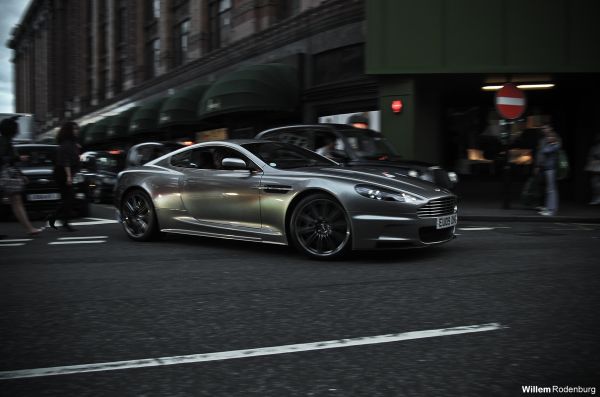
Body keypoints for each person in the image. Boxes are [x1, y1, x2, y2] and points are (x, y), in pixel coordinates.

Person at [0, 117, 43, 236]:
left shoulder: (6, 140)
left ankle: (29, 228)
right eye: (16, 126)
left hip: (7, 176)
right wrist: (19, 158)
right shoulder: (4, 141)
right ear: (11, 129)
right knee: (16, 201)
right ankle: (29, 228)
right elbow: (3, 158)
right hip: (5, 176)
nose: (18, 128)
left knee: (16, 200)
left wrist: (21, 174)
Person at [47, 122, 81, 231]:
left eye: (77, 129)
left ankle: (56, 218)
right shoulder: (66, 144)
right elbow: (65, 162)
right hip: (62, 174)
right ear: (69, 131)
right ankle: (61, 221)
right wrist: (69, 176)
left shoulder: (72, 143)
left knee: (67, 198)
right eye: (74, 129)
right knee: (69, 198)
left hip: (65, 173)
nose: (76, 131)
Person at [534, 124, 561, 216]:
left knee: (551, 190)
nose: (549, 138)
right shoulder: (549, 143)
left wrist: (550, 143)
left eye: (551, 136)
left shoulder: (554, 145)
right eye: (548, 136)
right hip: (546, 168)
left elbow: (545, 151)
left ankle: (551, 210)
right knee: (549, 189)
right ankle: (548, 208)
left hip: (551, 168)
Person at [585, 134, 600, 205]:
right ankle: (596, 197)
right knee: (594, 183)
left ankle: (597, 197)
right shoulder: (594, 148)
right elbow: (590, 157)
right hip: (594, 167)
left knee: (597, 184)